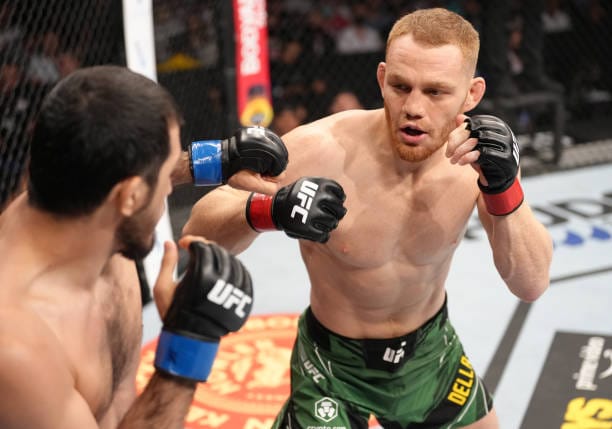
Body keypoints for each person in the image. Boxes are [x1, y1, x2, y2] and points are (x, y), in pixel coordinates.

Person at [182, 8, 553, 428]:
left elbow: (531, 283)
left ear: (472, 94)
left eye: (435, 92)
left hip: (430, 354)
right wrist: (269, 210)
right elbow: (197, 233)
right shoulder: (322, 147)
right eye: (401, 86)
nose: (413, 107)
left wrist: (504, 189)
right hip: (331, 365)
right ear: (381, 78)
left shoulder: (479, 161)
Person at [0, 65, 288, 429]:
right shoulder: (19, 351)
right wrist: (188, 343)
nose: (169, 187)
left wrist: (215, 161)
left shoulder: (73, 199)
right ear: (130, 196)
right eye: (166, 175)